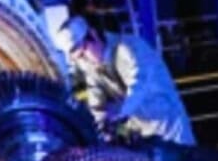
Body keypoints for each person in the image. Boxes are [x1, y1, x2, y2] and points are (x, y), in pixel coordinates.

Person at [56, 16, 195, 145]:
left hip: (169, 128)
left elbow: (138, 88)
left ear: (93, 35)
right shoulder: (91, 64)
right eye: (78, 59)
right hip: (143, 134)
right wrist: (99, 124)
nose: (83, 61)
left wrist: (117, 114)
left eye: (82, 54)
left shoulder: (130, 48)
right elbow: (96, 96)